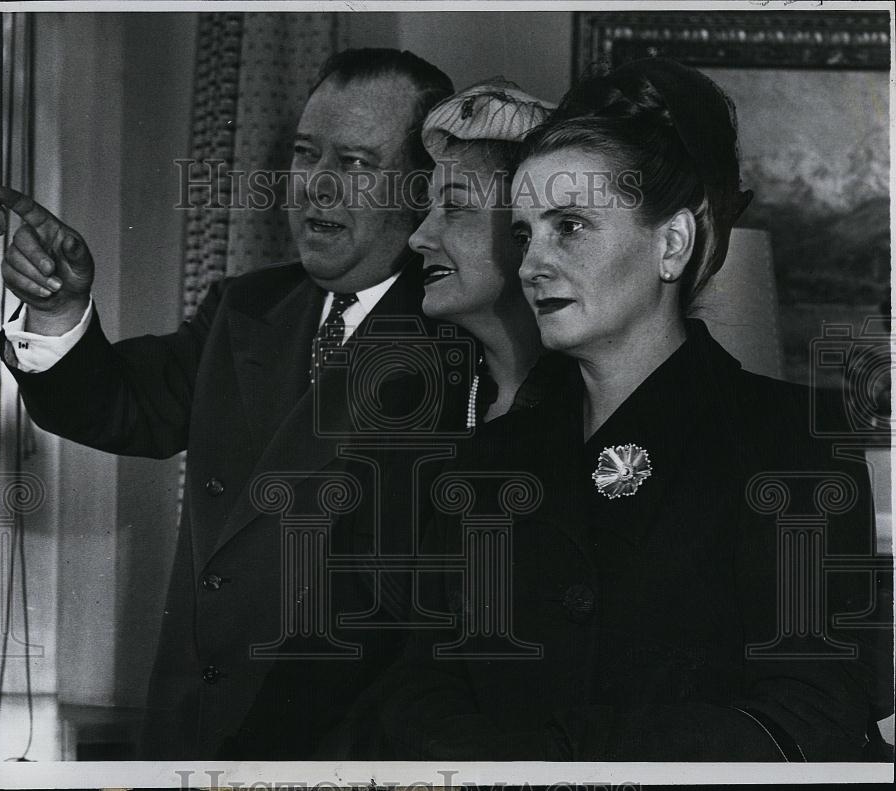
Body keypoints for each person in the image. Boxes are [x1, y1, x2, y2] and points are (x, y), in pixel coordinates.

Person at [380, 57, 891, 761]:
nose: (531, 263)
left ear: (672, 244)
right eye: (525, 233)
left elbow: (812, 717)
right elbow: (417, 694)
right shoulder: (486, 459)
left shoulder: (789, 439)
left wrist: (555, 759)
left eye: (571, 226)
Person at [0, 48, 467, 759]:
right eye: (307, 156)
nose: (318, 189)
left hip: (333, 748)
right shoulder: (246, 306)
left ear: (421, 188)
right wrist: (60, 308)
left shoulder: (461, 346)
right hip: (193, 725)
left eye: (357, 165)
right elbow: (122, 404)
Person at [410, 80, 561, 426]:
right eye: (427, 211)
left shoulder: (599, 407)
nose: (418, 238)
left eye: (455, 206)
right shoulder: (409, 406)